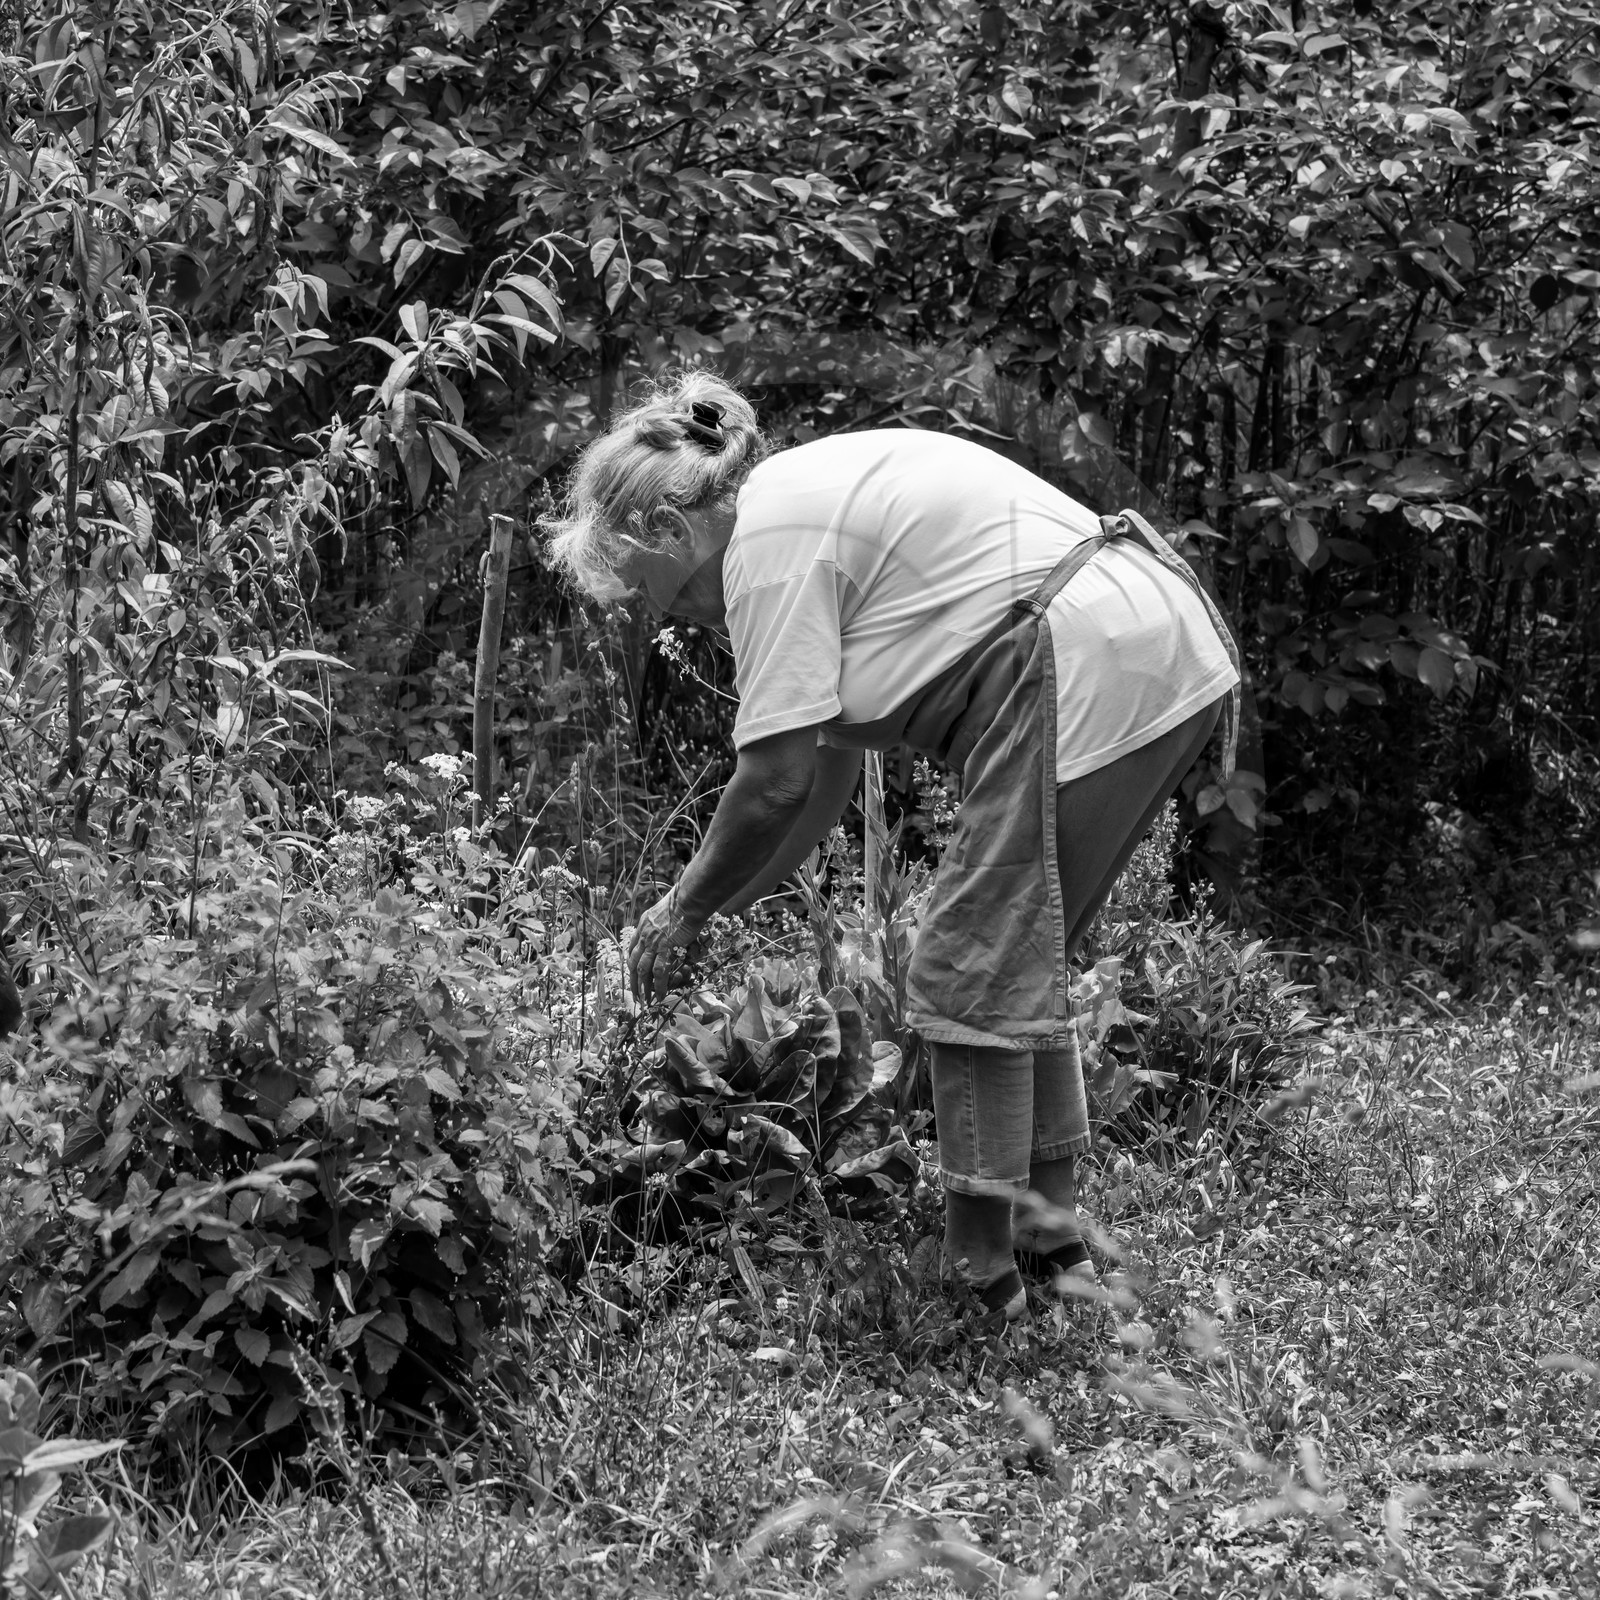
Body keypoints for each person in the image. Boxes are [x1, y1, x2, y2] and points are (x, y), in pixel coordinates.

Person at [547, 370, 1240, 1318]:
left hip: (1076, 656)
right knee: (1008, 962)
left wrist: (679, 910)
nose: (656, 611)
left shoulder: (764, 549)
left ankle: (978, 1275)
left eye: (641, 583)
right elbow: (819, 791)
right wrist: (716, 918)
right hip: (1141, 643)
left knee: (968, 968)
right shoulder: (790, 513)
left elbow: (774, 781)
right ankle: (1053, 1240)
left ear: (669, 531)